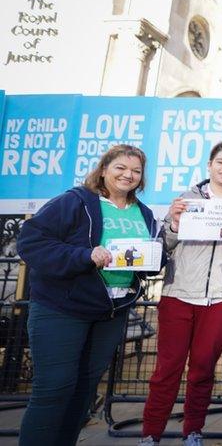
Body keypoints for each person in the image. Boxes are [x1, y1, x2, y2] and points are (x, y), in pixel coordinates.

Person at [17, 144, 165, 445]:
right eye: (121, 168)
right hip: (63, 309)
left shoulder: (144, 213)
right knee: (54, 390)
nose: (129, 175)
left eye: (136, 171)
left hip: (111, 312)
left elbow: (149, 262)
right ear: (104, 169)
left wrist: (155, 258)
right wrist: (84, 256)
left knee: (83, 393)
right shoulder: (75, 201)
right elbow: (31, 242)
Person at [140, 142, 222, 446]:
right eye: (221, 162)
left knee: (203, 368)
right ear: (209, 165)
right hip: (179, 292)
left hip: (219, 295)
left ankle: (193, 430)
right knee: (167, 368)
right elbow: (163, 245)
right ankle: (151, 434)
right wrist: (175, 223)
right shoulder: (186, 199)